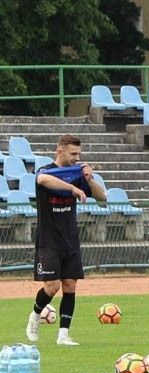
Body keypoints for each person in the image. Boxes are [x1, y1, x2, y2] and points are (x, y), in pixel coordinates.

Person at [25, 134, 108, 346]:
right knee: (52, 287)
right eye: (73, 153)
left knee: (70, 285)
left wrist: (89, 180)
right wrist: (72, 188)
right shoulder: (46, 170)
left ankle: (63, 335)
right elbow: (42, 180)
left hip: (70, 239)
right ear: (59, 151)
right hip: (49, 240)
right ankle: (35, 315)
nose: (76, 158)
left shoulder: (78, 173)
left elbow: (102, 197)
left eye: (78, 154)